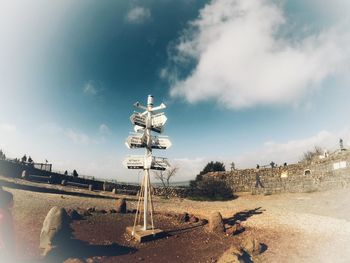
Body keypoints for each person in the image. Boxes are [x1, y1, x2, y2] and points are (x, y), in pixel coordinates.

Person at [0, 186, 15, 261]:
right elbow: (5, 233)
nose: (13, 202)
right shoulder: (3, 215)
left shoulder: (6, 212)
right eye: (12, 200)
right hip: (3, 245)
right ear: (6, 201)